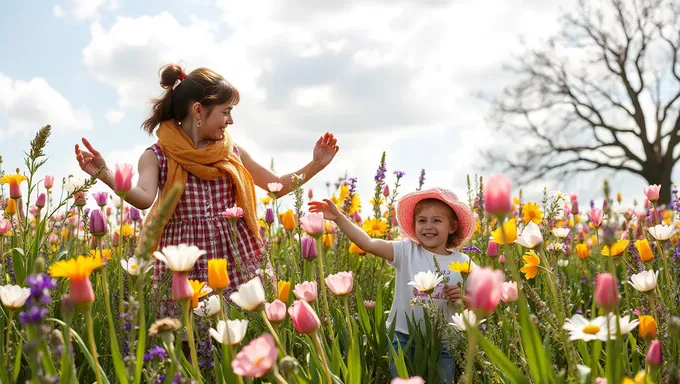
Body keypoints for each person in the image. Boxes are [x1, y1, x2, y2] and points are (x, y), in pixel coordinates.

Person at [75, 63, 339, 318]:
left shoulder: (231, 151)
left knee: (242, 325)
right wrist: (105, 174)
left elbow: (276, 186)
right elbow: (143, 199)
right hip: (184, 261)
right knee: (189, 337)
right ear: (199, 111)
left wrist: (315, 164)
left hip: (234, 256)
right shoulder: (158, 155)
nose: (231, 120)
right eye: (226, 112)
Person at [309, 187, 475, 383]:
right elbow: (368, 243)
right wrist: (338, 218)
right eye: (422, 220)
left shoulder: (464, 261)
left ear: (452, 226)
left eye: (436, 220)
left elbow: (481, 301)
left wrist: (463, 299)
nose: (428, 226)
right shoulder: (406, 251)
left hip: (444, 341)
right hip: (403, 337)